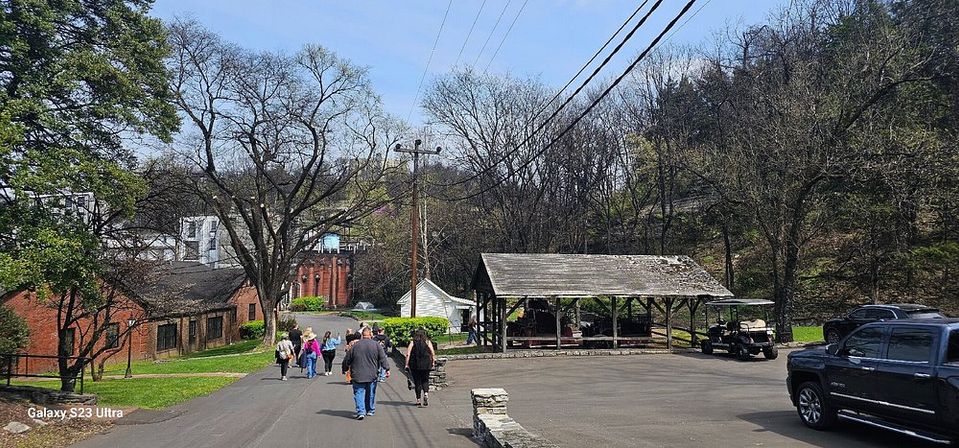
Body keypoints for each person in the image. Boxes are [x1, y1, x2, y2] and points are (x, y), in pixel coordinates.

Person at [341, 327, 390, 420]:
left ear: (362, 335)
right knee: (370, 393)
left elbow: (347, 359)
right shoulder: (376, 345)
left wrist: (345, 368)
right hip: (372, 374)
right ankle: (370, 410)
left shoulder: (355, 346)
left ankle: (361, 411)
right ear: (370, 334)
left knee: (359, 392)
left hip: (357, 374)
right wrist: (387, 369)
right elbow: (383, 358)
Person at [405, 329, 435, 407]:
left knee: (417, 382)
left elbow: (408, 354)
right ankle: (426, 393)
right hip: (426, 364)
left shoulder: (412, 342)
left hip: (415, 364)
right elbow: (432, 352)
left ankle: (418, 400)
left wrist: (407, 364)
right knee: (425, 380)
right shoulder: (427, 342)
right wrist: (433, 361)